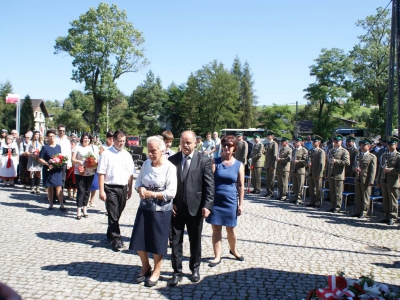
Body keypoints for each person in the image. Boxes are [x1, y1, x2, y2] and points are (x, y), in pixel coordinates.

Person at [167, 130, 214, 286]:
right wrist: (170, 202)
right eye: (183, 142)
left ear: (195, 143)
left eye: (189, 142)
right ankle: (177, 272)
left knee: (195, 240)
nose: (185, 145)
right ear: (179, 142)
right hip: (176, 208)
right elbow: (167, 184)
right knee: (175, 241)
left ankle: (195, 268)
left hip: (196, 208)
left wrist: (207, 205)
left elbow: (209, 185)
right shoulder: (172, 160)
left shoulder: (203, 160)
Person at [129, 136, 177, 287]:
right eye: (148, 151)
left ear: (162, 150)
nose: (150, 154)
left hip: (162, 211)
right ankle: (145, 266)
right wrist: (140, 188)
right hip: (145, 208)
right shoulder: (145, 165)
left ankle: (157, 269)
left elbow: (171, 193)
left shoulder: (170, 167)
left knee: (157, 242)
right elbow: (138, 182)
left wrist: (153, 194)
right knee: (139, 240)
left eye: (153, 151)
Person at [206, 135, 245, 267]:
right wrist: (207, 203)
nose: (227, 147)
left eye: (230, 145)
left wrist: (241, 204)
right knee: (216, 229)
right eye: (225, 145)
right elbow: (209, 183)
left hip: (230, 201)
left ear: (235, 148)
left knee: (231, 229)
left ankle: (233, 250)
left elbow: (240, 186)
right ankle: (217, 256)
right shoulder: (215, 161)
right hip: (216, 201)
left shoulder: (239, 165)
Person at [97, 130, 134, 251]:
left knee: (118, 213)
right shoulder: (106, 154)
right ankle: (116, 239)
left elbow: (130, 174)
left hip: (123, 187)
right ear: (114, 140)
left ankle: (110, 231)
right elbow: (101, 173)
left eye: (123, 141)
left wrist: (129, 189)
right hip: (110, 187)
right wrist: (101, 191)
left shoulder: (127, 155)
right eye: (119, 141)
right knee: (113, 213)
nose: (121, 144)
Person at [71, 132, 99, 219]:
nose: (86, 140)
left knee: (87, 191)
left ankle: (85, 209)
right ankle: (78, 210)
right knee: (81, 191)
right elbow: (72, 159)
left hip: (90, 172)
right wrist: (79, 162)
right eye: (85, 138)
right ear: (82, 138)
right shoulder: (77, 147)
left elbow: (95, 159)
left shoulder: (92, 148)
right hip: (80, 172)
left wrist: (93, 163)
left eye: (88, 138)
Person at [38, 129, 66, 211]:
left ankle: (61, 204)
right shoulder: (45, 147)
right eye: (50, 136)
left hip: (57, 169)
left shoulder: (58, 147)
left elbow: (60, 157)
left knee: (59, 186)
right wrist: (47, 164)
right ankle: (51, 204)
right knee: (50, 187)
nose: (52, 138)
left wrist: (60, 161)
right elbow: (40, 158)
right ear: (47, 137)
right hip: (48, 170)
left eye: (53, 136)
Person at [376, 136, 400, 225]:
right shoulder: (384, 155)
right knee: (385, 200)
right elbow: (380, 170)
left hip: (393, 181)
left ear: (396, 145)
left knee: (392, 200)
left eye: (391, 144)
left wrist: (390, 170)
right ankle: (386, 216)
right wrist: (378, 181)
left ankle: (393, 217)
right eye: (388, 144)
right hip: (384, 181)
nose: (389, 146)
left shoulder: (398, 156)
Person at [324, 134, 350, 213]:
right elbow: (328, 163)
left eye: (337, 141)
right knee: (332, 191)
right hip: (331, 173)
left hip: (339, 174)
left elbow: (347, 163)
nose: (336, 142)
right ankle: (333, 205)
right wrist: (326, 173)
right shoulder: (331, 150)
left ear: (341, 142)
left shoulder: (344, 151)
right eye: (335, 141)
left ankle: (338, 207)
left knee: (338, 192)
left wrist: (336, 161)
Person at [351, 138, 376, 219]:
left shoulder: (372, 157)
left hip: (366, 179)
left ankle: (364, 212)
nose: (362, 147)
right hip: (358, 178)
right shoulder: (358, 155)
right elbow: (353, 166)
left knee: (365, 196)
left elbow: (373, 170)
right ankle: (358, 210)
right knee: (358, 196)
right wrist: (355, 169)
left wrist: (371, 181)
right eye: (361, 145)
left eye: (364, 145)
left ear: (368, 146)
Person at [306, 135, 326, 208]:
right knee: (311, 188)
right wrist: (307, 164)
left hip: (317, 172)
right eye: (313, 141)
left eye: (315, 141)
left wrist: (319, 174)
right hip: (310, 172)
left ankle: (318, 202)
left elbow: (321, 164)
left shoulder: (321, 151)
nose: (314, 143)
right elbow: (307, 160)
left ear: (319, 142)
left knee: (318, 189)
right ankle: (312, 201)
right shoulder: (310, 150)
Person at [289, 136, 308, 205]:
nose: (296, 143)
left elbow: (305, 161)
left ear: (300, 142)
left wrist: (298, 161)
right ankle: (295, 197)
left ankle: (299, 199)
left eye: (297, 142)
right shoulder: (294, 150)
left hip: (300, 170)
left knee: (300, 186)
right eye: (295, 142)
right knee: (295, 186)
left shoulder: (304, 150)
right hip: (294, 170)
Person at [262, 131, 278, 198]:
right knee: (267, 179)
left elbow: (274, 155)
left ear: (272, 136)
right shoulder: (268, 144)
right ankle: (268, 191)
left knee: (271, 180)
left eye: (269, 135)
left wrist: (273, 165)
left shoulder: (274, 144)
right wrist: (264, 152)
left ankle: (271, 192)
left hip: (271, 164)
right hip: (267, 163)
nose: (268, 137)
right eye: (267, 135)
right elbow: (267, 154)